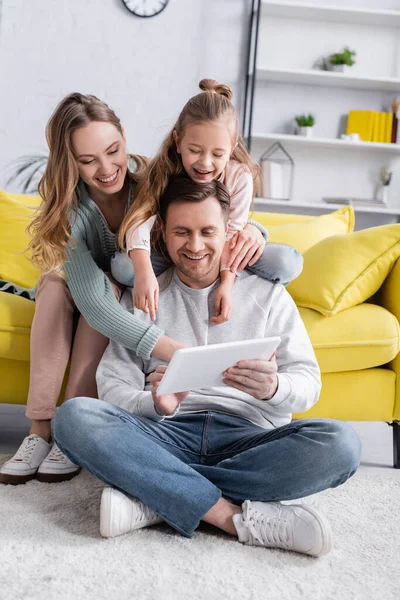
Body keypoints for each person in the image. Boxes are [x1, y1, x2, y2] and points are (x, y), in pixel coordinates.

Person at [53, 176, 361, 557]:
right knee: (74, 418)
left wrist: (274, 388)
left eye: (207, 232)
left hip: (249, 439)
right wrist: (156, 403)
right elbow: (112, 383)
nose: (195, 246)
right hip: (165, 436)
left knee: (341, 445)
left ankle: (156, 498)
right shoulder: (146, 295)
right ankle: (229, 515)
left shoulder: (268, 294)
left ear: (228, 233)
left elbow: (308, 382)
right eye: (182, 232)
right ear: (162, 233)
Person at [0, 93, 187, 486]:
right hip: (82, 293)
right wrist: (172, 350)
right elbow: (91, 298)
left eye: (113, 150)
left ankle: (69, 429)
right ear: (70, 163)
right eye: (88, 161)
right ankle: (38, 430)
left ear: (123, 134)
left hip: (118, 292)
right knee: (55, 286)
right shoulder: (72, 207)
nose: (106, 169)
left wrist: (254, 232)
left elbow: (215, 209)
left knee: (111, 294)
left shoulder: (153, 180)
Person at [112, 78, 303, 324]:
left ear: (232, 147)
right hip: (173, 251)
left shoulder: (239, 177)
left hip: (222, 253)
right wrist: (144, 271)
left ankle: (249, 300)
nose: (205, 163)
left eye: (217, 154)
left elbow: (231, 235)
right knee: (123, 267)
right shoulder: (163, 171)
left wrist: (226, 282)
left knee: (286, 262)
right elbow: (139, 221)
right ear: (178, 141)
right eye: (195, 150)